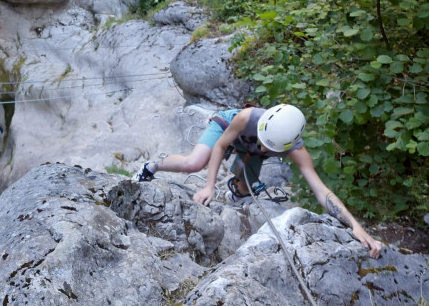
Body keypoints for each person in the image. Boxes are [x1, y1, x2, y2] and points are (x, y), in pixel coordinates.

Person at [134, 104, 383, 258]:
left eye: (270, 145)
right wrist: (209, 185)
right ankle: (152, 166)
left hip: (249, 149)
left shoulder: (296, 151)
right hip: (229, 129)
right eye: (266, 140)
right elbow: (221, 145)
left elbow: (321, 190)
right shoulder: (248, 117)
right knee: (195, 162)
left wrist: (355, 226)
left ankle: (237, 189)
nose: (265, 145)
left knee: (244, 190)